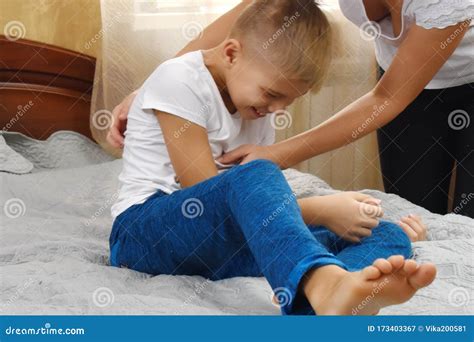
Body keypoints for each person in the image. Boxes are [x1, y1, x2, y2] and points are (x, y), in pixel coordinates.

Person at [109, 0, 435, 316]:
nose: (277, 110)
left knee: (384, 233)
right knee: (259, 172)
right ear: (231, 53)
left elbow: (254, 209)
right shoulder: (179, 79)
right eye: (272, 94)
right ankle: (325, 284)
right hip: (145, 233)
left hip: (223, 247)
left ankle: (328, 299)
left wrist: (338, 219)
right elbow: (208, 193)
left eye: (288, 101)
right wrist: (321, 209)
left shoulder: (256, 108)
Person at [109, 0, 473, 218]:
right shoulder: (190, 84)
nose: (274, 109)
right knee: (413, 208)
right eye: (271, 94)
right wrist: (150, 88)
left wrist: (276, 155)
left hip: (446, 79)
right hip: (401, 82)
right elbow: (255, 14)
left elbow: (387, 98)